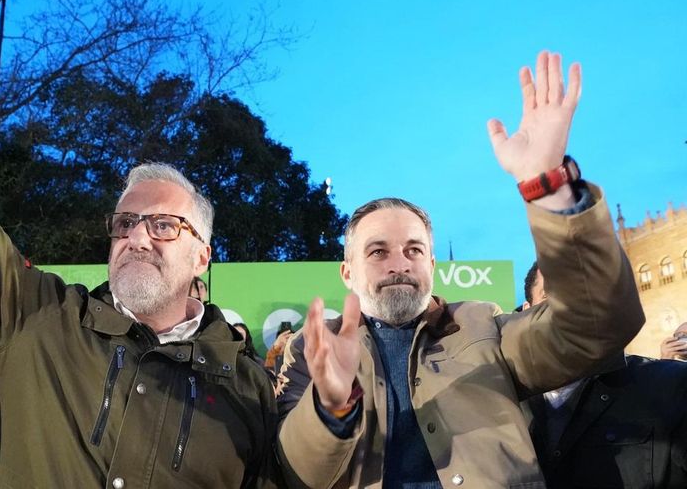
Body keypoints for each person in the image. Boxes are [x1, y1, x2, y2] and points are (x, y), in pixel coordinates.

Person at [0, 0, 280, 486]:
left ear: (202, 256)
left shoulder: (249, 388)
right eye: (125, 223)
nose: (137, 238)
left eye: (163, 225)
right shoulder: (36, 313)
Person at [275, 52, 645, 488]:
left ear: (432, 264)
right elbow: (295, 476)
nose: (399, 265)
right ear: (347, 272)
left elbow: (599, 326)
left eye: (414, 250)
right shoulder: (309, 350)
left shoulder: (483, 326)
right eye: (378, 252)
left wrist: (548, 187)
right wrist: (329, 409)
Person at [522, 263, 687, 488]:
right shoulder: (500, 403)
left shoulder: (672, 386)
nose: (565, 307)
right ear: (526, 310)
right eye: (549, 295)